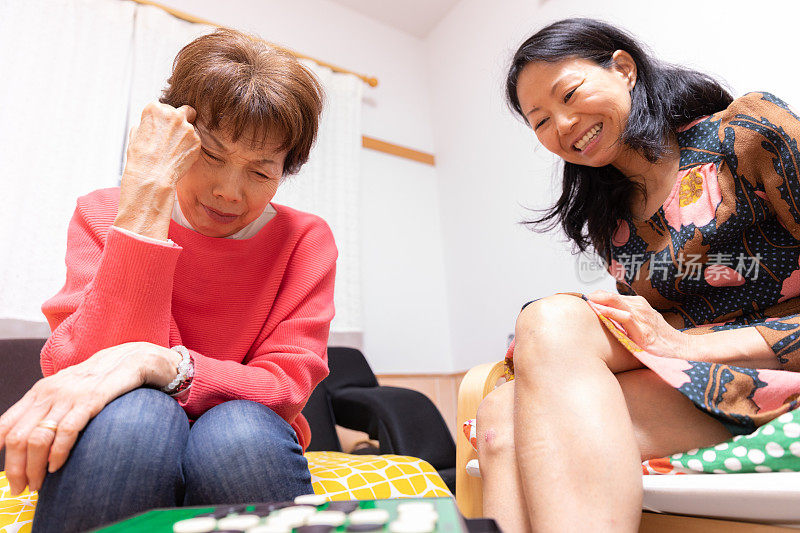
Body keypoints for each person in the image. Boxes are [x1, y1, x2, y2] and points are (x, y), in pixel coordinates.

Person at [0, 28, 334, 532]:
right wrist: (146, 197)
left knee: (238, 432)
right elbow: (80, 367)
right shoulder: (105, 212)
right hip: (120, 431)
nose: (228, 191)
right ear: (174, 138)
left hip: (244, 433)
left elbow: (284, 387)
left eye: (260, 173)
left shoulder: (304, 239)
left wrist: (163, 363)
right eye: (210, 154)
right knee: (136, 417)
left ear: (285, 172)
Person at [476, 18, 800, 532]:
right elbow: (661, 326)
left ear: (624, 69)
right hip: (708, 382)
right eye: (539, 121)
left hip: (780, 368)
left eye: (570, 93)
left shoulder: (747, 133)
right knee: (500, 411)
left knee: (552, 326)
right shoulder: (614, 217)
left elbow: (678, 343)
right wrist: (553, 347)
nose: (561, 125)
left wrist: (694, 348)